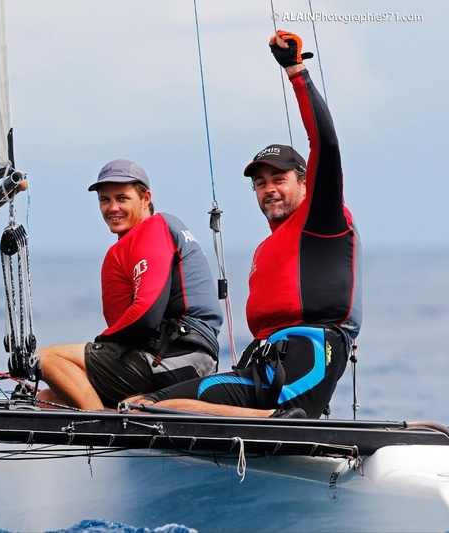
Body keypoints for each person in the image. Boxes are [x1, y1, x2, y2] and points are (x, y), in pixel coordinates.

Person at [125, 30, 362, 419]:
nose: (268, 189)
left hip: (310, 358)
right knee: (144, 403)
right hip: (263, 365)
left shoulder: (322, 221)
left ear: (305, 183)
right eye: (260, 183)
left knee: (162, 409)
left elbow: (327, 145)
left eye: (279, 179)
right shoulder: (267, 247)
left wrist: (296, 71)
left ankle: (282, 421)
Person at [35, 159, 223, 411]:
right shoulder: (146, 237)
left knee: (45, 359)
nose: (113, 208)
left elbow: (146, 314)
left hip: (177, 359)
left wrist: (100, 343)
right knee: (47, 400)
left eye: (122, 198)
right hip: (181, 359)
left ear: (146, 198)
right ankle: (125, 418)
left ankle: (103, 422)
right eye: (105, 200)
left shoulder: (154, 228)